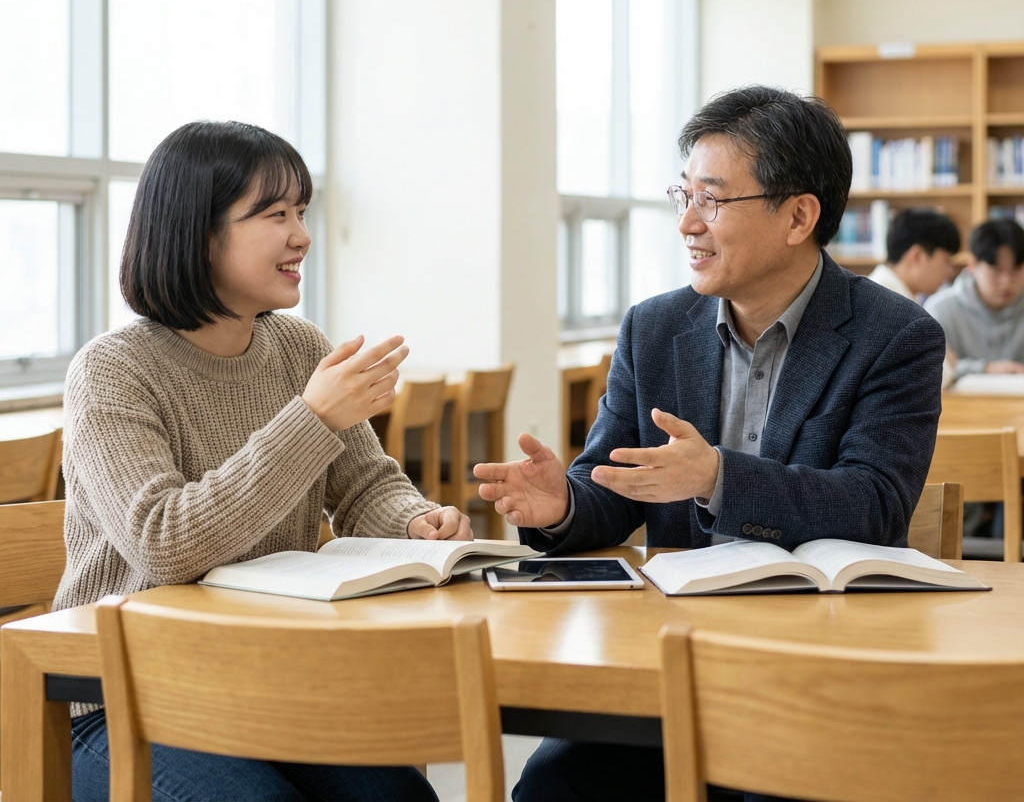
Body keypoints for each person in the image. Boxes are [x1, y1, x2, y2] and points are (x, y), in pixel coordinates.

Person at [475, 86, 946, 802]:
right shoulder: (653, 328)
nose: (688, 223)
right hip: (666, 652)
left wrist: (716, 478)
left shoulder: (896, 336)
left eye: (714, 201)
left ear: (798, 215)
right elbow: (614, 487)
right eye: (682, 196)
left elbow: (874, 506)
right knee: (551, 789)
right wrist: (561, 507)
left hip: (816, 660)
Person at [57, 121, 467, 802]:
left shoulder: (298, 347)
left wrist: (417, 520)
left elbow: (365, 487)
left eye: (301, 211)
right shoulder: (111, 371)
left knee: (400, 798)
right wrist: (311, 419)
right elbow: (165, 544)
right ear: (197, 230)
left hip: (264, 678)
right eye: (274, 214)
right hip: (118, 696)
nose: (301, 235)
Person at [925, 218, 1024, 380]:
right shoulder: (941, 309)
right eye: (996, 270)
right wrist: (986, 369)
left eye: (1016, 270)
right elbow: (930, 368)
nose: (1006, 282)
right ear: (972, 265)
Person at [868, 207, 960, 300]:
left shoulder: (895, 296)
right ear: (917, 256)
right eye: (947, 260)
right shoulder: (881, 301)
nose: (950, 271)